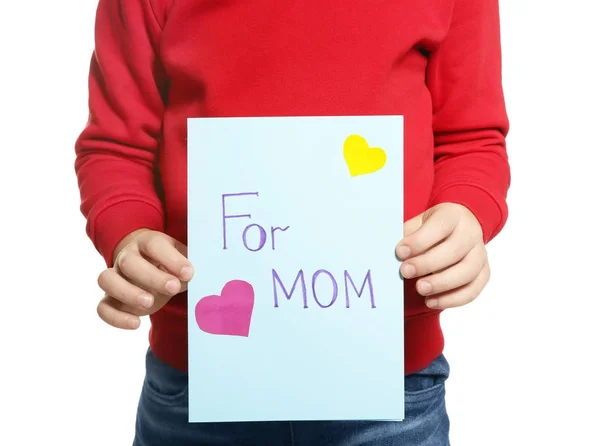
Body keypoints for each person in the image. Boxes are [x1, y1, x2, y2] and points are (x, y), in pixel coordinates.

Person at [74, 0, 510, 444]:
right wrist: (130, 233)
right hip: (196, 381)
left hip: (393, 381)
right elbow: (117, 147)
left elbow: (471, 139)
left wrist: (466, 211)